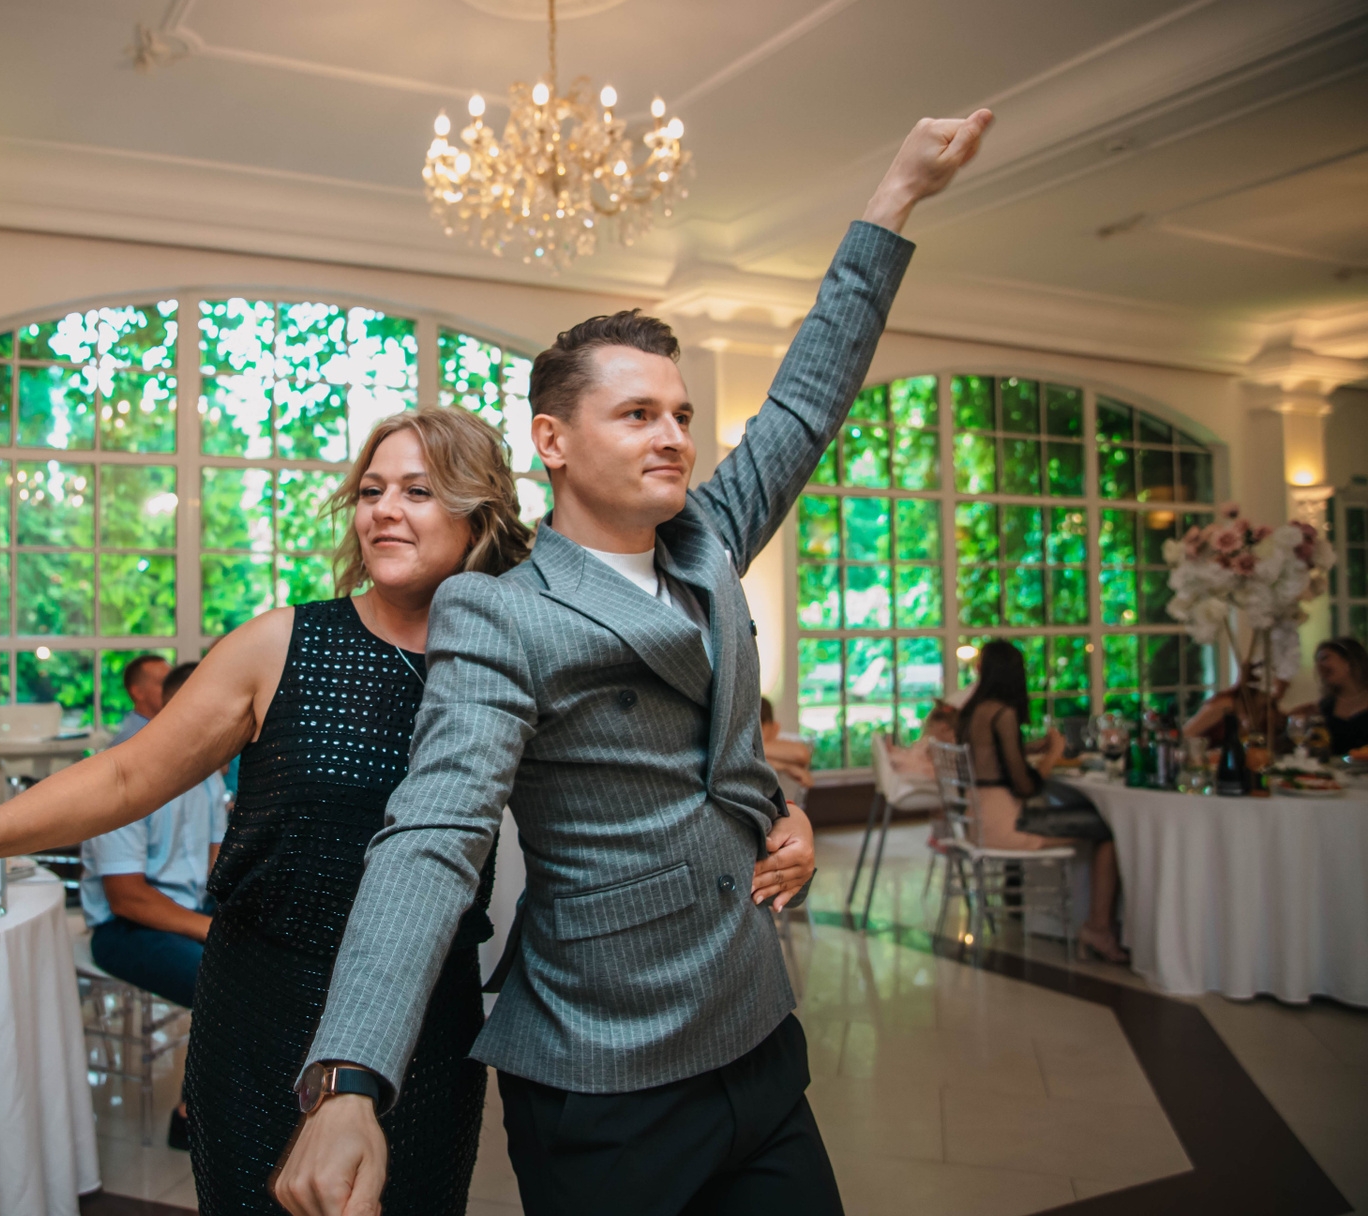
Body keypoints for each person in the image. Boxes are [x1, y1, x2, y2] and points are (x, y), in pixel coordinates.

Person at [274, 110, 993, 1216]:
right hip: (603, 1070)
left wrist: (893, 196)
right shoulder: (500, 612)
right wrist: (349, 1076)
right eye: (639, 413)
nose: (674, 436)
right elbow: (434, 833)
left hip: (757, 1029)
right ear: (554, 441)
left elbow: (809, 398)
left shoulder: (708, 538)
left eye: (682, 414)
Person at [0, 406, 821, 1215]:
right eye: (371, 491)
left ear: (478, 513)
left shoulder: (520, 652)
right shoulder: (282, 645)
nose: (384, 510)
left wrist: (778, 809)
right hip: (262, 1009)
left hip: (427, 1028)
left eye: (418, 491)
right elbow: (126, 779)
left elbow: (655, 760)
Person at [80, 660, 229, 1150]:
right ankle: (193, 1116)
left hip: (186, 910)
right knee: (223, 979)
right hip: (124, 928)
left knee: (267, 952)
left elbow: (215, 866)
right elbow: (126, 897)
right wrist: (209, 930)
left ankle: (243, 1102)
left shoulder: (207, 774)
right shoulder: (123, 770)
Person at [954, 639, 1125, 964]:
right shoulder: (1002, 713)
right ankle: (1098, 928)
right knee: (1107, 828)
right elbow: (1026, 788)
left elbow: (990, 754)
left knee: (1087, 816)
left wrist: (1032, 747)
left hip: (977, 821)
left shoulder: (972, 711)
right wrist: (1053, 754)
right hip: (1007, 825)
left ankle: (1088, 923)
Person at [1182, 661, 1288, 749]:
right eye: (1281, 678)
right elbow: (1186, 734)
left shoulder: (1265, 712)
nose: (1287, 684)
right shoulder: (1226, 705)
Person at [1291, 638, 1368, 757]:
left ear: (1348, 660)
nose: (1319, 666)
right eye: (1317, 661)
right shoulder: (1325, 706)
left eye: (1325, 658)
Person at [759, 697, 815, 800]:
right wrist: (787, 766)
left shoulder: (783, 741)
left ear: (774, 727)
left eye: (760, 729)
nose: (754, 737)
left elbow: (802, 754)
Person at [111, 654, 169, 744]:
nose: (172, 688)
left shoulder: (164, 729)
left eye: (172, 682)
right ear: (138, 692)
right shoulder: (130, 741)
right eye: (163, 683)